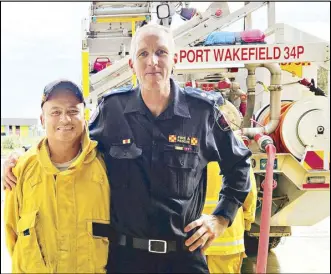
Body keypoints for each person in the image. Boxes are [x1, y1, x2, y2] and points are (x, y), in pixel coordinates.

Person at [3, 23, 252, 273]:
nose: (152, 61)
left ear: (174, 59)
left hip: (183, 258)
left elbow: (239, 164)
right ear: (132, 64)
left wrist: (220, 218)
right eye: (143, 53)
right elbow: (71, 139)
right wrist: (20, 156)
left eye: (161, 52)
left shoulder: (202, 113)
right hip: (125, 259)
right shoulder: (113, 110)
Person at [4, 80, 110, 273]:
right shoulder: (20, 170)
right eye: (55, 112)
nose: (64, 119)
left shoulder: (104, 166)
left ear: (84, 117)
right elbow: (12, 236)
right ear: (43, 119)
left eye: (72, 111)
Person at [203, 161, 257, 273]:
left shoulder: (187, 149)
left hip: (192, 239)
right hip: (228, 237)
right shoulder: (234, 149)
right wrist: (246, 222)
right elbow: (248, 192)